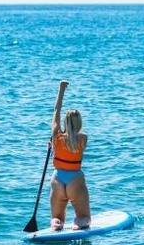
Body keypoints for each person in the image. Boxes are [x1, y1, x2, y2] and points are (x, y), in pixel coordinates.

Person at [49, 80, 91, 231]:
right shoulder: (83, 139)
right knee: (84, 217)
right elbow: (74, 136)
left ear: (65, 122)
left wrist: (61, 90)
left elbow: (56, 111)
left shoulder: (56, 136)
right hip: (75, 179)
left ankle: (56, 223)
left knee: (56, 218)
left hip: (57, 179)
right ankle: (80, 222)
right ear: (79, 123)